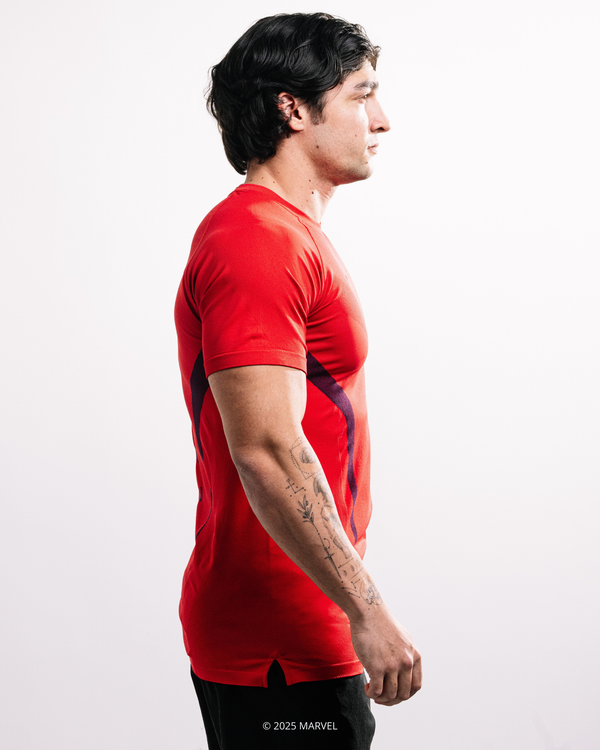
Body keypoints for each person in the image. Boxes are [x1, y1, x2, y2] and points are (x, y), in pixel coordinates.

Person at [174, 12, 422, 750]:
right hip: (280, 640)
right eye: (361, 95)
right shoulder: (257, 240)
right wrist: (367, 610)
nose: (382, 119)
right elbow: (269, 451)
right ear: (293, 108)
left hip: (299, 624)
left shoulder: (286, 233)